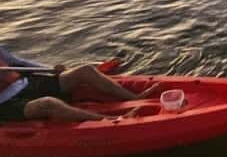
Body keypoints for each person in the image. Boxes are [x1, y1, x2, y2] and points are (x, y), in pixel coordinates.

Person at [0, 46, 156, 123]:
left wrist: (51, 70)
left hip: (27, 84)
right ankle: (110, 120)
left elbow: (19, 62)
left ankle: (135, 97)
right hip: (7, 103)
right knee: (48, 103)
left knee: (85, 70)